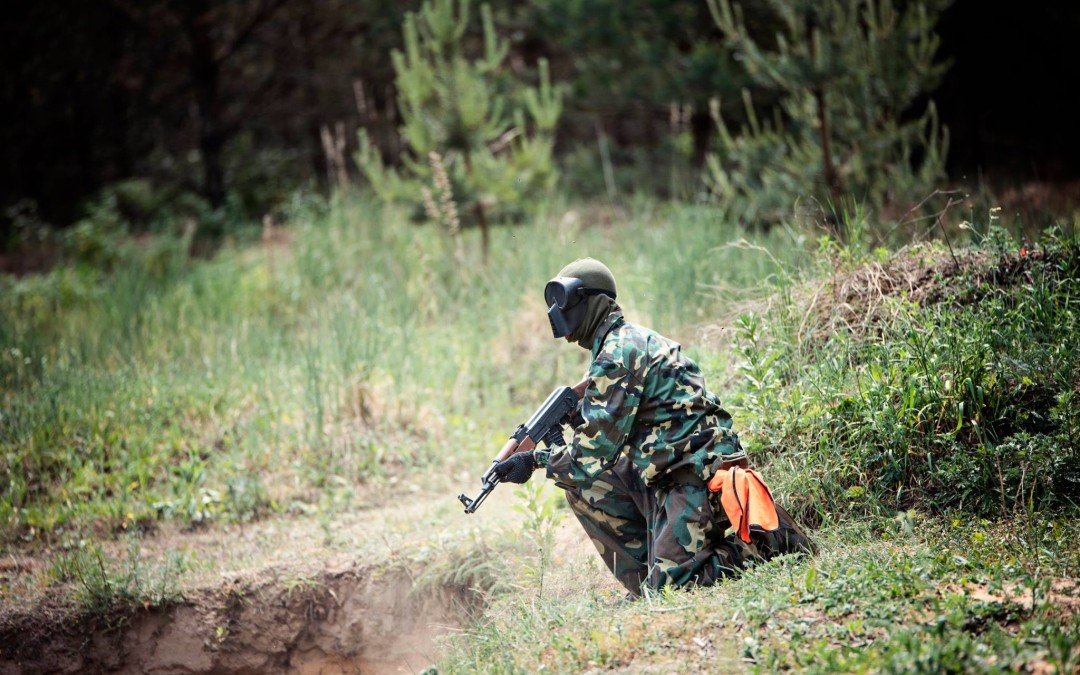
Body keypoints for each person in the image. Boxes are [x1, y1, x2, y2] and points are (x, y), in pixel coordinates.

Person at [492, 257, 812, 597]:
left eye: (565, 300)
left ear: (591, 301)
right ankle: (650, 580)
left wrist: (536, 461)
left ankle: (769, 543)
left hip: (696, 477)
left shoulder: (619, 353)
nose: (558, 312)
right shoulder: (618, 346)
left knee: (672, 591)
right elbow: (610, 444)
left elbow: (589, 457)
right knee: (586, 488)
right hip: (667, 474)